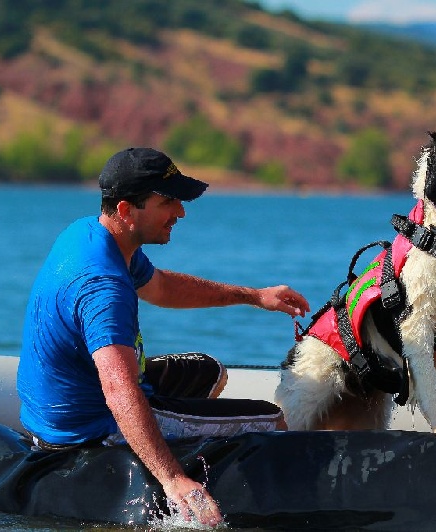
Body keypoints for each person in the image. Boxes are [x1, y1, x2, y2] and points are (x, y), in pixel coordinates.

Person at [17, 147, 310, 527]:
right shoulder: (103, 287)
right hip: (88, 428)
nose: (181, 212)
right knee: (271, 420)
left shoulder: (92, 234)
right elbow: (119, 391)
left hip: (68, 403)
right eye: (168, 202)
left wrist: (254, 296)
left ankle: (188, 444)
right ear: (127, 210)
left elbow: (161, 288)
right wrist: (173, 480)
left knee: (209, 371)